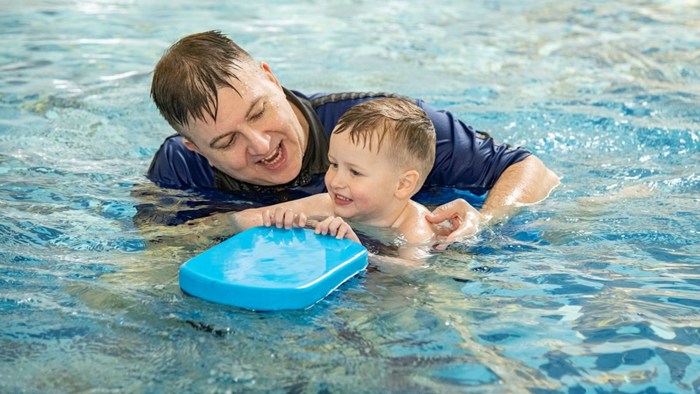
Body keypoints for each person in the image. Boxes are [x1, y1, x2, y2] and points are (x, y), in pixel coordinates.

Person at [147, 30, 559, 245]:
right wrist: (240, 222)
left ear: (271, 79)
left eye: (259, 111)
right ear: (195, 148)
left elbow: (530, 168)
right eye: (225, 142)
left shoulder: (378, 129)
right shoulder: (179, 168)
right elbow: (157, 249)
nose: (259, 144)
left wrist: (486, 221)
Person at [231, 97, 439, 250]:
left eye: (355, 172)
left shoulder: (415, 226)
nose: (335, 181)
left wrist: (357, 251)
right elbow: (240, 219)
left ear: (403, 185)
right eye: (333, 164)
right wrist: (279, 221)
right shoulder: (328, 204)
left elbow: (411, 274)